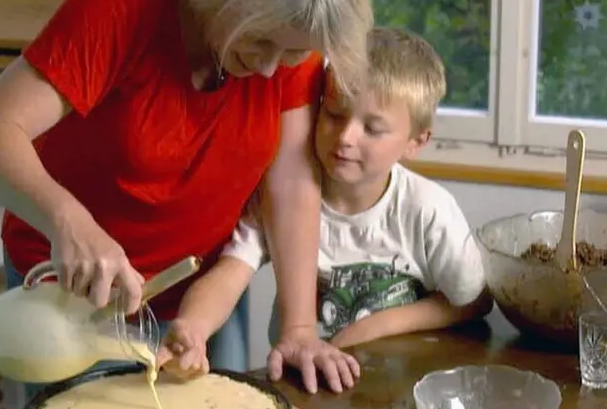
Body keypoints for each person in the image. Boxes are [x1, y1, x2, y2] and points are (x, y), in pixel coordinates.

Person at [0, 0, 373, 393]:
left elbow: (291, 182)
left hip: (202, 302)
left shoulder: (295, 20)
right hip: (74, 291)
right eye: (259, 42)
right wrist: (70, 222)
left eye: (289, 56)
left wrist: (300, 328)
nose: (267, 69)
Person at [170, 27, 491, 359]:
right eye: (334, 114)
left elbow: (474, 300)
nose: (346, 137)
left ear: (416, 141)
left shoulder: (428, 209)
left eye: (373, 128)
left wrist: (378, 326)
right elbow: (230, 272)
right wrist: (193, 327)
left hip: (399, 396)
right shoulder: (282, 200)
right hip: (305, 387)